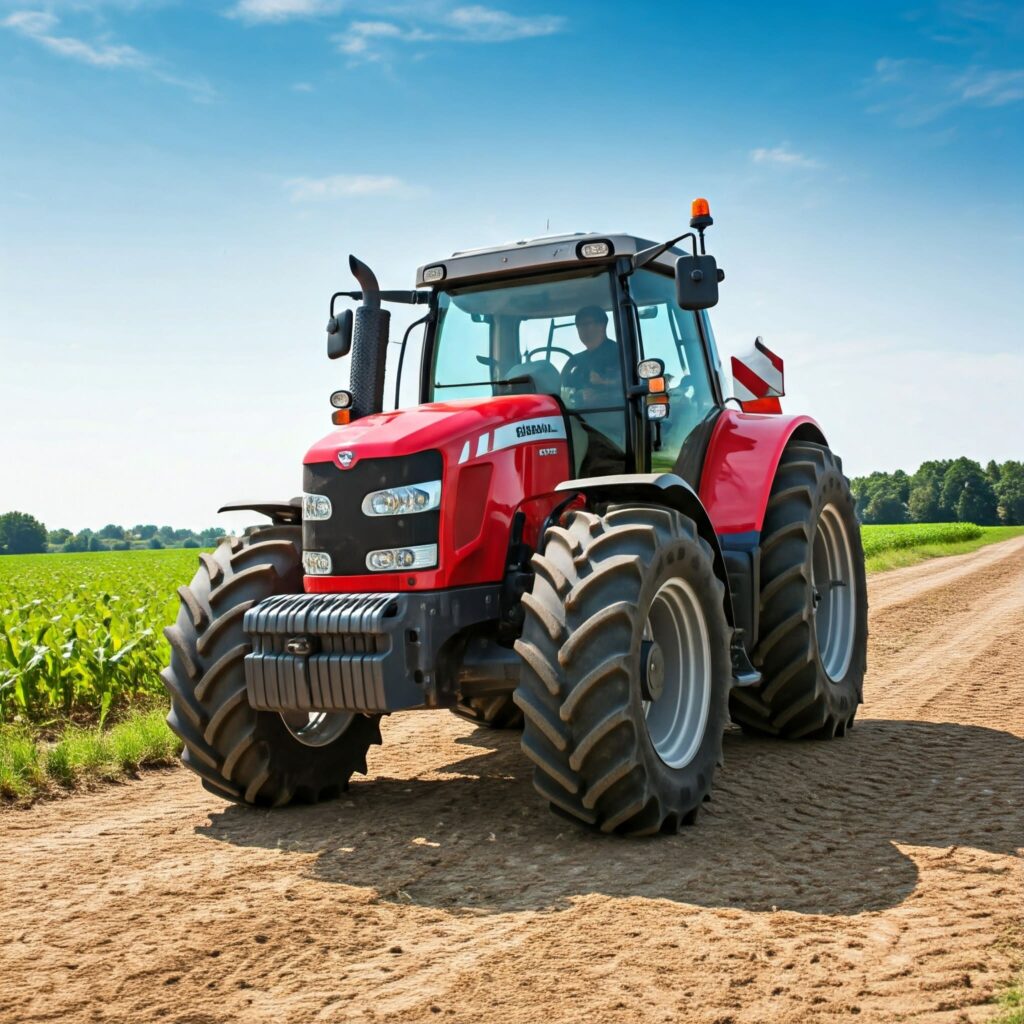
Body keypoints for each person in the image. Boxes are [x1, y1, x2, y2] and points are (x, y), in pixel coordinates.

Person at [560, 305, 621, 406]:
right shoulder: (574, 360)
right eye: (578, 325)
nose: (581, 329)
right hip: (574, 417)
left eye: (585, 324)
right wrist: (578, 394)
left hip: (613, 414)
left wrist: (603, 383)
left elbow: (628, 384)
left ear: (602, 325)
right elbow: (563, 388)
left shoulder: (619, 354)